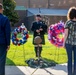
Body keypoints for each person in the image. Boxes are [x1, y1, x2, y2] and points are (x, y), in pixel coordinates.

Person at [63, 7, 76, 75]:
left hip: (69, 43)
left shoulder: (68, 23)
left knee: (70, 60)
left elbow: (66, 34)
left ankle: (70, 73)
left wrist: (63, 43)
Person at [0, 3, 11, 75]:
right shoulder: (5, 19)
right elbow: (7, 32)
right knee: (1, 61)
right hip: (2, 42)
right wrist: (8, 44)